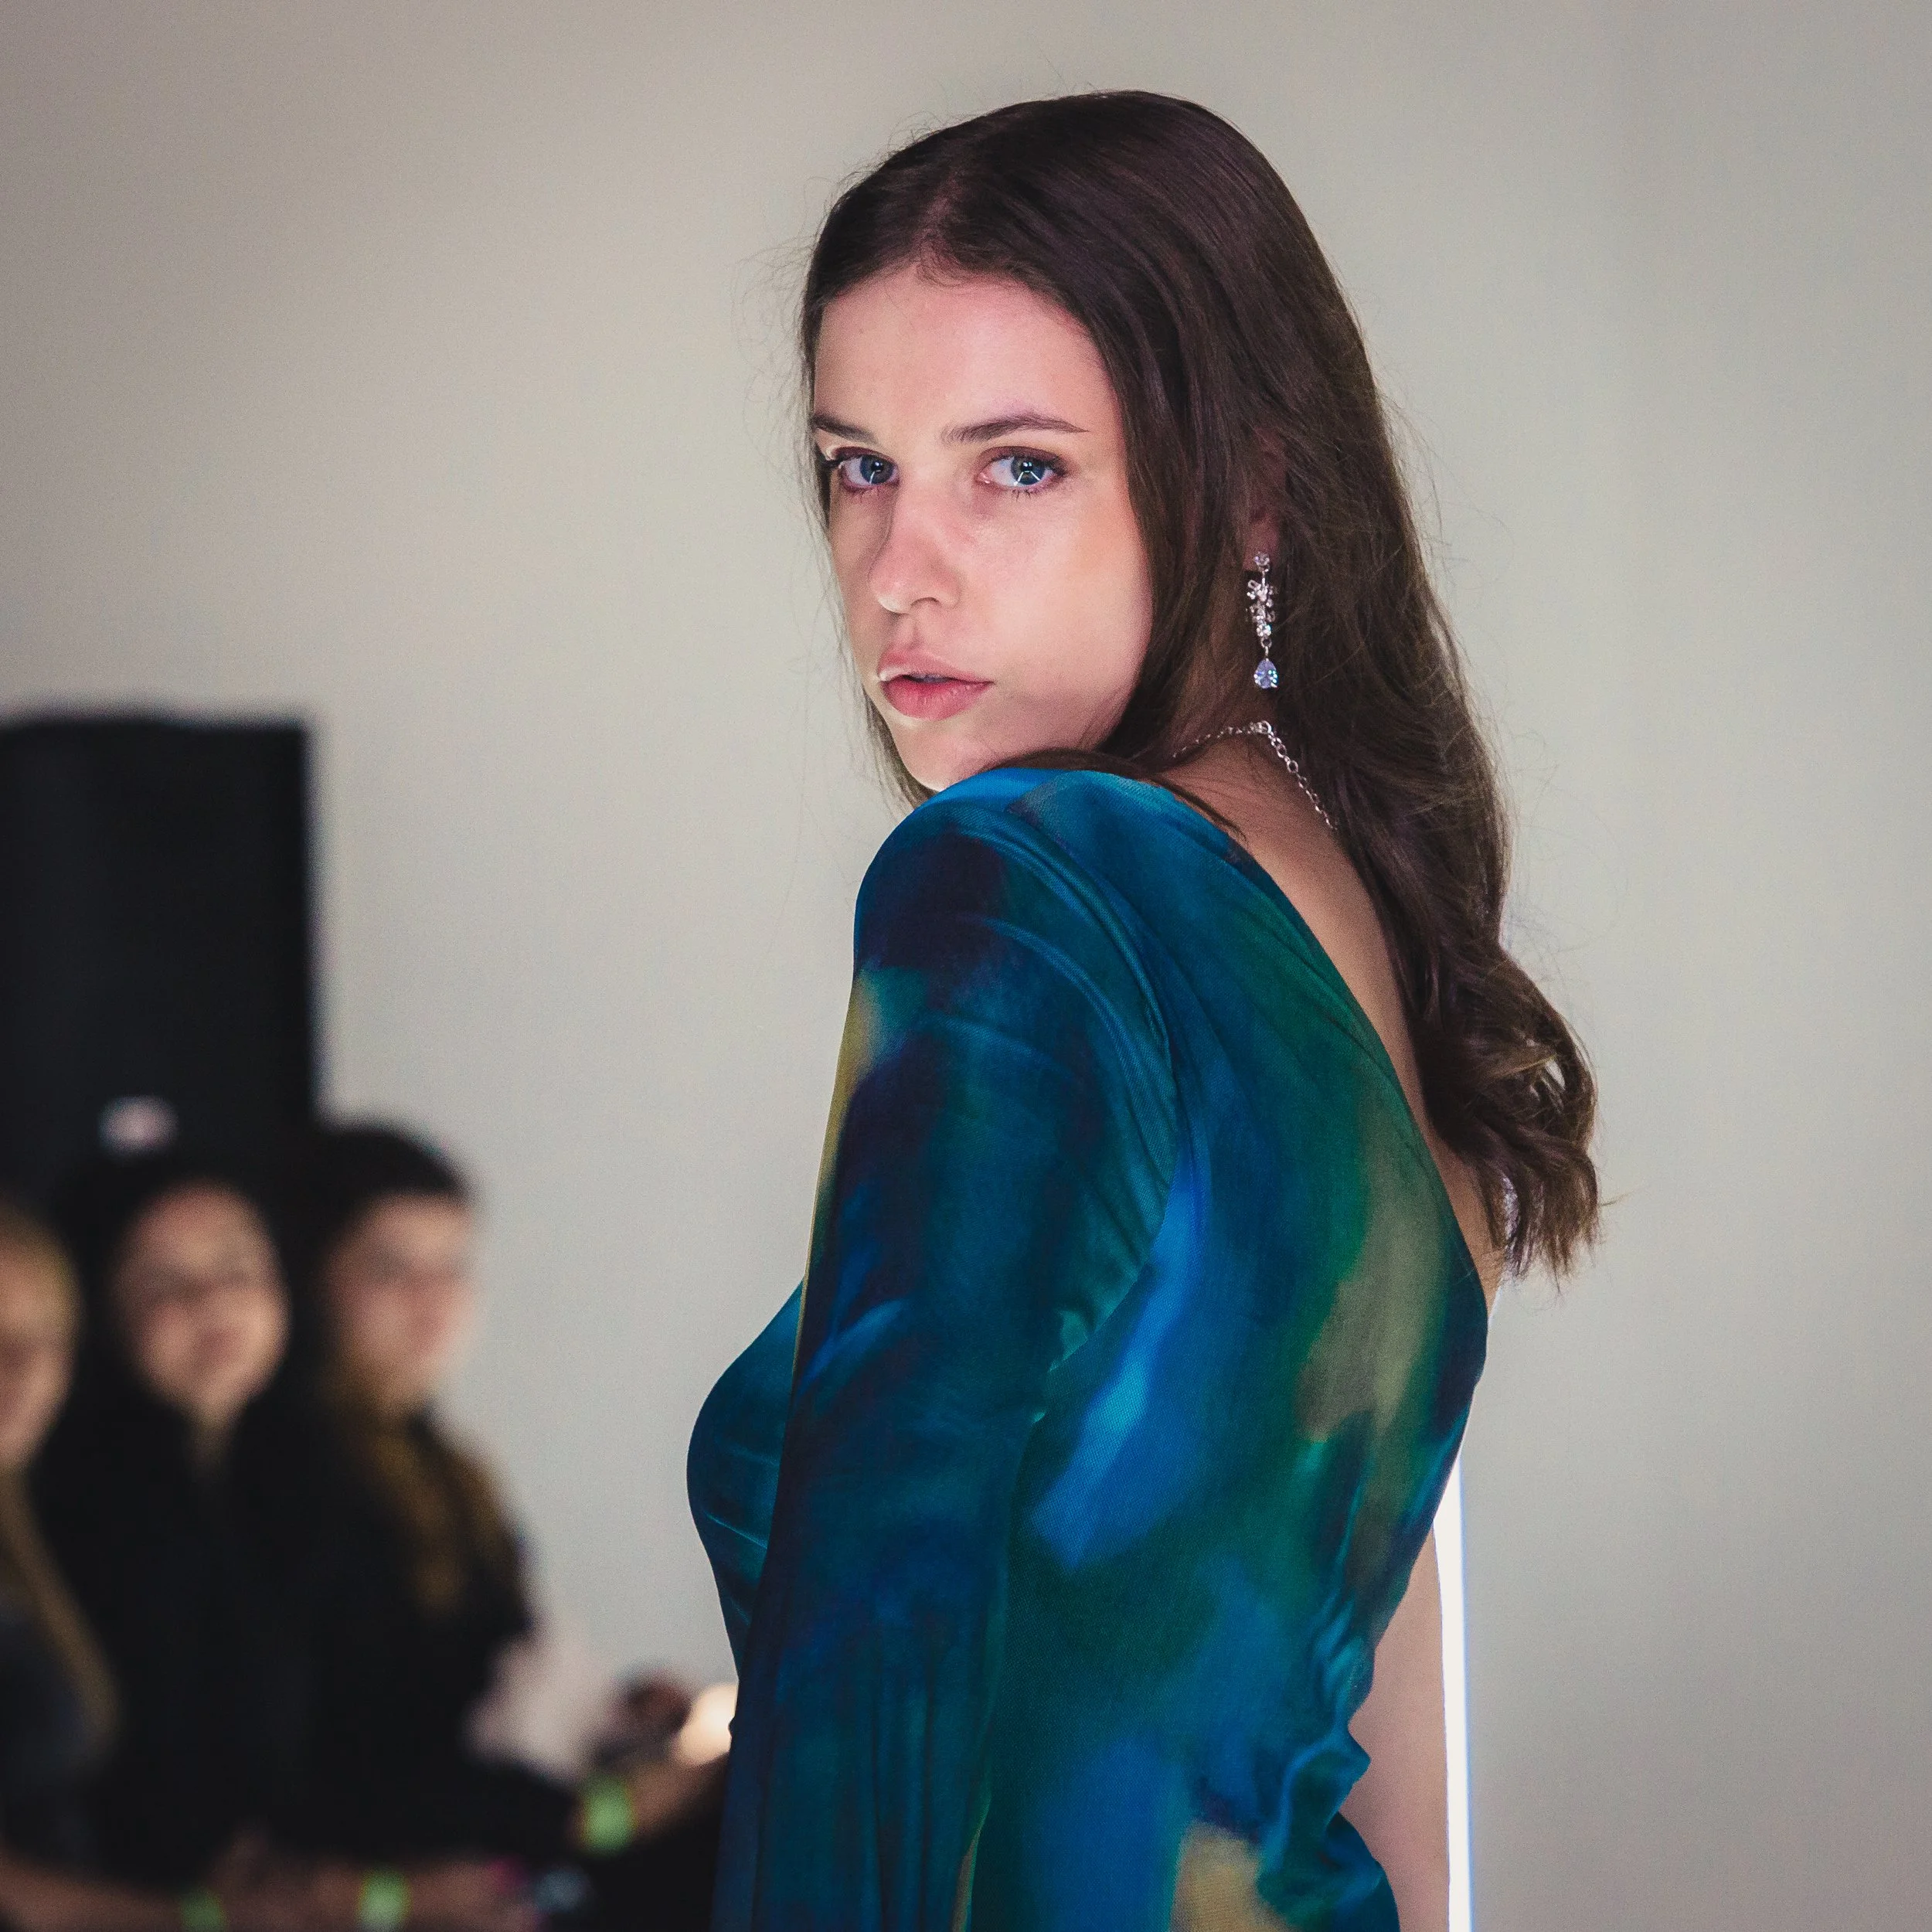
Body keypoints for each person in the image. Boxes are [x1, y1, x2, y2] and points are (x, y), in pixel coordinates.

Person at [685, 91, 1600, 1930]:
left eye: (1015, 467)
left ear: (1250, 486)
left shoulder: (1024, 874)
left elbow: (875, 1657)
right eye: (859, 466)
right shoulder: (1357, 921)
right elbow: (1396, 1779)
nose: (896, 568)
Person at [34, 1153, 526, 1932]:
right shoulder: (77, 1517)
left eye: (238, 1269)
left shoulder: (279, 1487)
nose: (214, 1302)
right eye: (162, 1281)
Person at [287, 1124, 721, 1924]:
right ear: (313, 1279)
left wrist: (619, 1713)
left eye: (452, 1267)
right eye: (391, 1269)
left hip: (518, 1829)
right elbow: (367, 1760)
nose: (435, 1302)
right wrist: (605, 1813)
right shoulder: (300, 1479)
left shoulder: (443, 1465)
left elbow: (489, 1670)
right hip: (443, 1872)